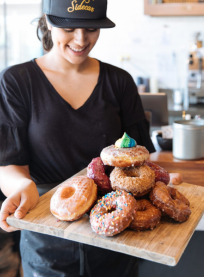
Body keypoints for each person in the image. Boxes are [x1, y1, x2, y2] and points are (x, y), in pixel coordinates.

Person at [0, 0, 155, 276]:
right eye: (69, 27)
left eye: (92, 28)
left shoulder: (120, 82)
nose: (81, 39)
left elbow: (139, 160)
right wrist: (21, 185)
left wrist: (159, 178)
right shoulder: (17, 81)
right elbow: (9, 162)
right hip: (48, 234)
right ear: (47, 21)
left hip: (115, 232)